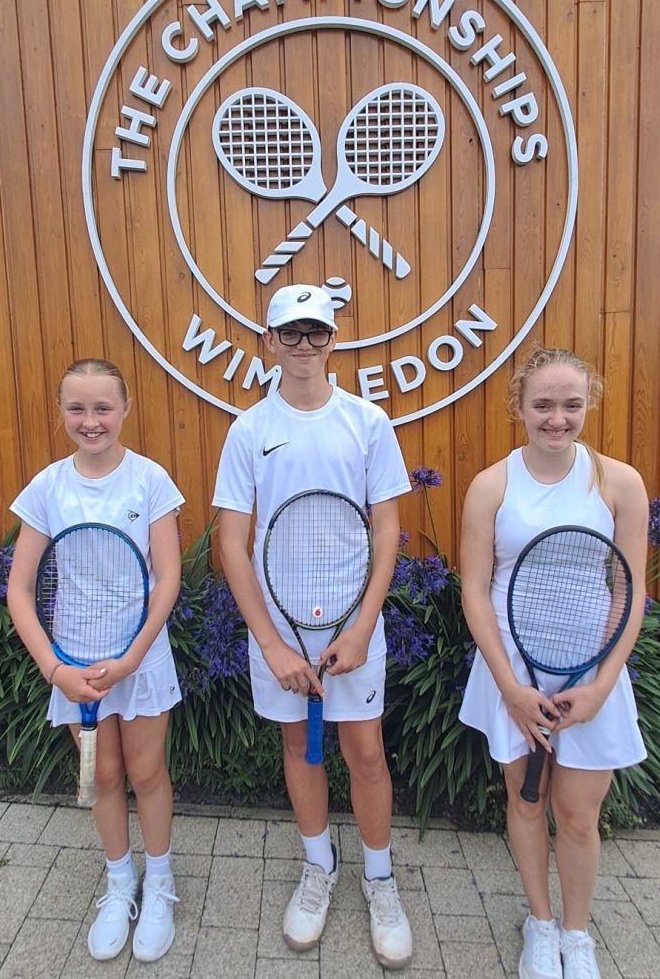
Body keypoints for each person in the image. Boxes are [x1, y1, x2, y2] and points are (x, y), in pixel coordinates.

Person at [212, 284, 413, 970]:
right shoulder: (248, 430)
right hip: (281, 635)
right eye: (290, 333)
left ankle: (380, 879)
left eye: (315, 332)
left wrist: (361, 628)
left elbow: (387, 531)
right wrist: (270, 643)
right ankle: (318, 866)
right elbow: (231, 544)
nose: (303, 344)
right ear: (268, 342)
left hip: (353, 629)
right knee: (300, 749)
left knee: (364, 755)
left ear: (334, 339)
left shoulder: (368, 422)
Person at [458, 348, 649, 979]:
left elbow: (629, 592)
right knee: (527, 802)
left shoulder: (618, 483)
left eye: (571, 404)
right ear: (519, 406)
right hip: (513, 672)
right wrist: (510, 687)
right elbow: (476, 592)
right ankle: (539, 923)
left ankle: (576, 934)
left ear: (588, 403)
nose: (558, 419)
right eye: (543, 405)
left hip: (593, 676)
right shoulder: (491, 485)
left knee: (577, 813)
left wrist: (601, 685)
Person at [6, 359, 184, 964]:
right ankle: (119, 885)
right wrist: (56, 670)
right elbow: (19, 591)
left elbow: (167, 579)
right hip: (75, 665)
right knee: (101, 777)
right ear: (61, 414)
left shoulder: (151, 480)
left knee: (146, 772)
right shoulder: (47, 487)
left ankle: (159, 885)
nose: (91, 421)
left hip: (141, 658)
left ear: (125, 409)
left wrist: (134, 656)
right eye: (77, 409)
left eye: (103, 408)